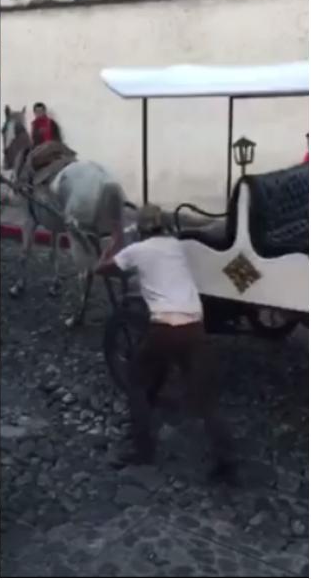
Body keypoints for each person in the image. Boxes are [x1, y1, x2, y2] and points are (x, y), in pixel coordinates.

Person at [95, 204, 235, 483]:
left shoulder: (137, 250)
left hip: (164, 328)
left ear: (142, 230)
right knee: (205, 397)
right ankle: (226, 461)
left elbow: (101, 269)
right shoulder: (175, 246)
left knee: (135, 382)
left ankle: (143, 449)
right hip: (194, 327)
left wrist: (113, 243)